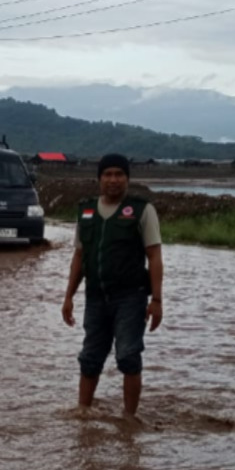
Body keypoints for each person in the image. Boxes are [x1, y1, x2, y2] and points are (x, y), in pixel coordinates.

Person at [62, 153, 164, 420]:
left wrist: (157, 300)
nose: (113, 180)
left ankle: (129, 419)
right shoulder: (86, 211)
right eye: (107, 174)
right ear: (99, 179)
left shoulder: (142, 210)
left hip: (131, 297)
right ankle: (82, 415)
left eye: (119, 174)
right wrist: (68, 297)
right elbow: (79, 257)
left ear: (127, 179)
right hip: (96, 297)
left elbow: (154, 256)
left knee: (128, 356)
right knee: (90, 358)